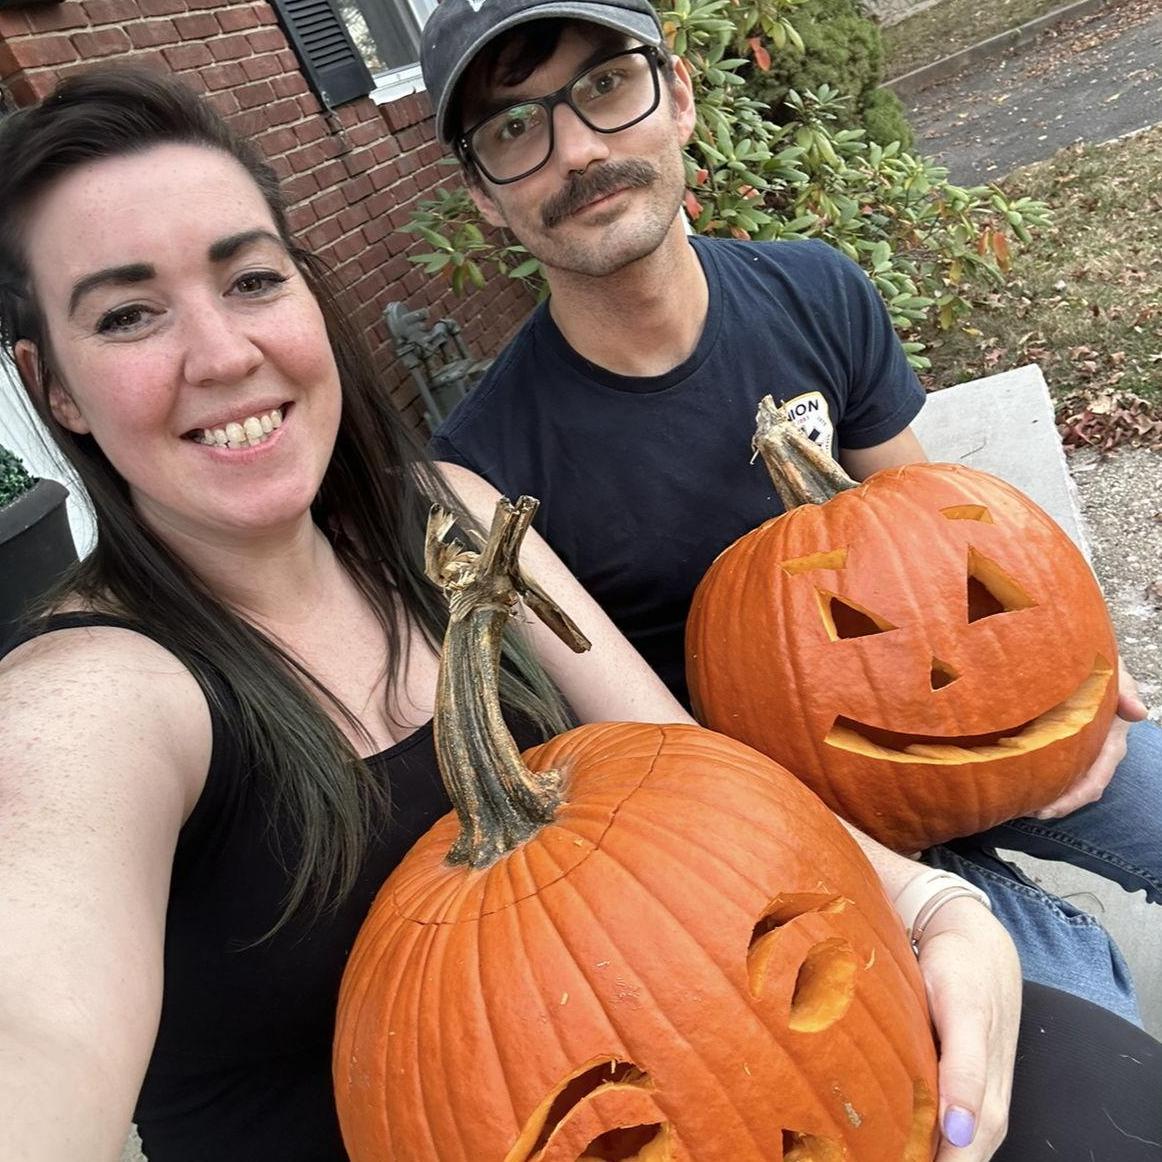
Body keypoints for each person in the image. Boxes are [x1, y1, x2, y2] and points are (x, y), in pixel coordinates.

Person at [0, 65, 1027, 1162]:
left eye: (251, 280)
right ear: (53, 387)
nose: (222, 354)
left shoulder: (456, 519)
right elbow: (34, 1034)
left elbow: (699, 773)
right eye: (128, 315)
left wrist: (933, 908)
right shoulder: (89, 699)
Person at [419, 0, 1162, 1029]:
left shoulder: (814, 289)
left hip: (936, 715)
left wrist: (1063, 669)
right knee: (1079, 1006)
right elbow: (668, 753)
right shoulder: (482, 473)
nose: (578, 150)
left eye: (604, 85)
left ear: (677, 96)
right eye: (514, 128)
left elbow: (934, 534)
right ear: (484, 197)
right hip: (778, 823)